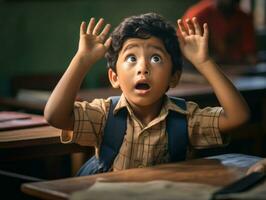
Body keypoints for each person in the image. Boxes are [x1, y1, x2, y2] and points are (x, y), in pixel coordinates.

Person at [44, 13, 249, 175]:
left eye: (156, 59)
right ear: (114, 77)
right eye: (131, 58)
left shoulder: (186, 119)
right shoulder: (104, 115)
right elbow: (55, 116)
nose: (143, 67)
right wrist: (81, 60)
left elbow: (238, 116)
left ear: (173, 78)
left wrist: (204, 63)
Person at [182, 0, 257, 65]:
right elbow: (184, 50)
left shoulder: (244, 18)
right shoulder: (198, 15)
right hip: (199, 69)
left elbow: (250, 56)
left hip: (237, 68)